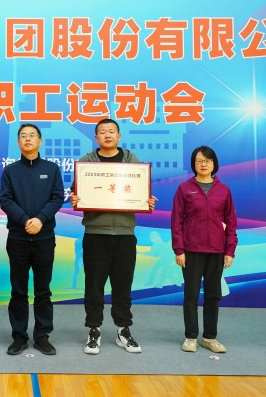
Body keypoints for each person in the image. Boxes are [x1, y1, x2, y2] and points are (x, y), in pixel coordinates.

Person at [69, 118, 158, 355]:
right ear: (96, 137)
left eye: (111, 131)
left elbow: (141, 191)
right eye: (102, 132)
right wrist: (75, 198)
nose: (107, 135)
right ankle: (94, 330)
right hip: (95, 234)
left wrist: (147, 201)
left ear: (119, 136)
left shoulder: (132, 161)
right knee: (94, 286)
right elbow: (76, 191)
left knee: (123, 285)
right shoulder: (87, 162)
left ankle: (123, 330)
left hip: (125, 235)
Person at [0, 124, 64, 356]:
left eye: (32, 135)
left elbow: (58, 198)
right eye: (23, 136)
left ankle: (42, 336)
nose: (28, 139)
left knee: (43, 290)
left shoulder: (52, 169)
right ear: (18, 142)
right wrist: (26, 220)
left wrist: (40, 219)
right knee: (18, 291)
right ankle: (19, 336)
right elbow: (6, 200)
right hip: (18, 238)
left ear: (40, 140)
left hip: (44, 238)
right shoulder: (10, 171)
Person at [170, 145, 237, 354]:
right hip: (191, 250)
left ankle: (209, 337)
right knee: (191, 294)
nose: (203, 164)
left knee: (213, 295)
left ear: (214, 163)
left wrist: (230, 250)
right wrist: (179, 250)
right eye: (199, 161)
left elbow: (231, 223)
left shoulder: (224, 190)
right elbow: (176, 221)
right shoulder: (184, 188)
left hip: (216, 250)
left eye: (207, 160)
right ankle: (190, 336)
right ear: (194, 164)